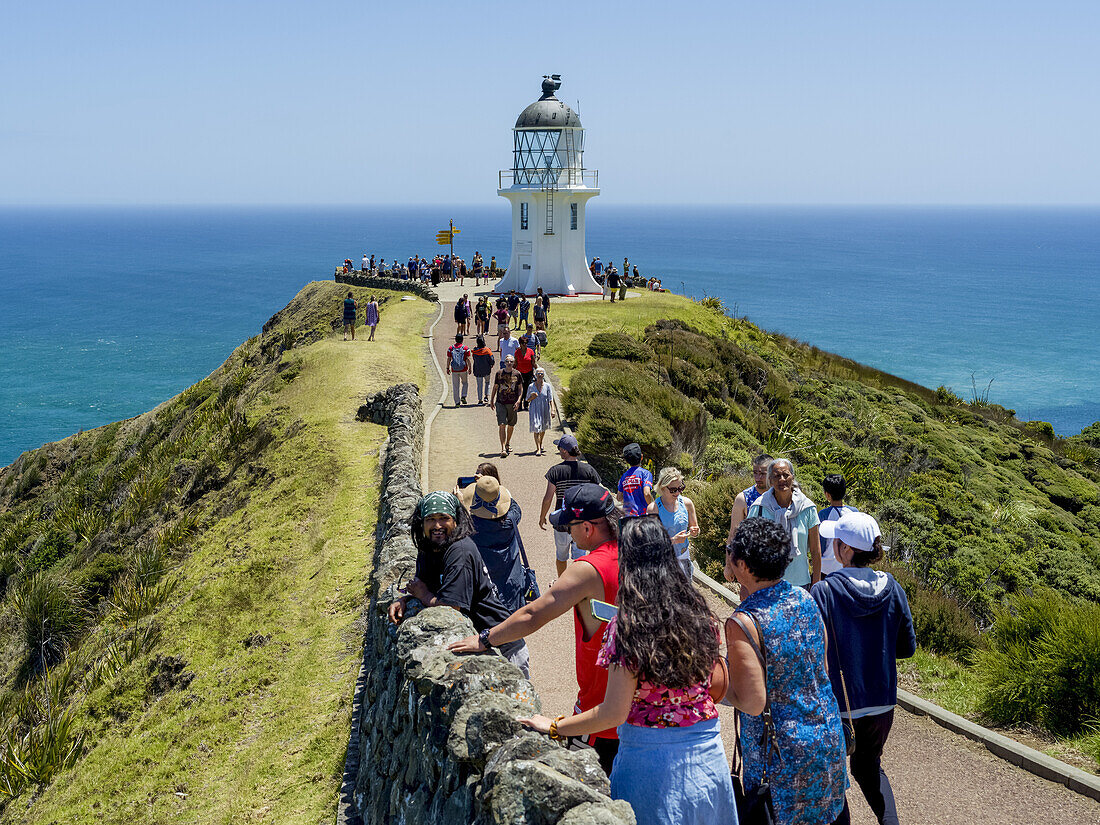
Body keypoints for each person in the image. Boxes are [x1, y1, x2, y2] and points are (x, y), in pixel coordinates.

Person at [520, 517, 737, 825]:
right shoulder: (701, 616)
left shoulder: (627, 627)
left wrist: (555, 726)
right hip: (708, 754)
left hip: (652, 763)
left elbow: (612, 713)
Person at [449, 484, 622, 773]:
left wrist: (485, 639)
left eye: (569, 525)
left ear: (589, 528)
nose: (568, 531)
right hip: (637, 711)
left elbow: (532, 615)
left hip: (599, 713)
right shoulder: (635, 554)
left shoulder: (587, 568)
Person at [724, 518, 849, 825]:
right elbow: (823, 668)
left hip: (780, 757)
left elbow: (752, 702)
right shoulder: (805, 598)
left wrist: (717, 679)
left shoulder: (744, 622)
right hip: (827, 738)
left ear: (741, 564)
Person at [813, 512, 915, 825]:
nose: (830, 545)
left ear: (845, 549)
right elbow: (906, 648)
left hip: (838, 704)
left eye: (835, 541)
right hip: (882, 702)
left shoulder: (825, 592)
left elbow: (815, 651)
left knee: (828, 774)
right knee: (868, 767)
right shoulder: (893, 587)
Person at [388, 492, 530, 677]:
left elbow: (451, 607)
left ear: (455, 521)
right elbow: (425, 586)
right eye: (430, 519)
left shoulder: (459, 551)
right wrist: (406, 599)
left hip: (504, 647)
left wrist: (422, 595)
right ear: (421, 523)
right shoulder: (430, 548)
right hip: (483, 641)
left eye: (444, 518)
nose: (437, 525)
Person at [747, 458, 822, 588]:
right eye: (776, 476)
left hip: (800, 584)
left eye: (786, 475)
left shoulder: (807, 508)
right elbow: (748, 548)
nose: (782, 479)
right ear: (770, 480)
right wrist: (746, 584)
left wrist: (816, 584)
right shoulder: (759, 507)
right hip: (766, 583)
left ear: (792, 477)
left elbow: (816, 551)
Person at [459, 474, 528, 613]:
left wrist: (460, 501)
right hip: (511, 581)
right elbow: (512, 504)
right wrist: (492, 488)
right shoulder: (512, 519)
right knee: (515, 622)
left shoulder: (472, 525)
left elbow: (457, 522)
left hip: (484, 583)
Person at [540, 434, 601, 576]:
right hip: (583, 521)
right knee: (580, 558)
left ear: (565, 451)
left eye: (559, 448)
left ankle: (562, 583)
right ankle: (579, 586)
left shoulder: (555, 471)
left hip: (562, 520)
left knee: (561, 556)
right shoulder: (589, 470)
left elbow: (548, 498)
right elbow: (596, 494)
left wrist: (542, 516)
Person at [647, 467, 699, 578]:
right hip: (664, 560)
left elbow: (695, 530)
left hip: (683, 557)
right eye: (673, 490)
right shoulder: (653, 509)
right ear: (663, 487)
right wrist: (673, 540)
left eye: (680, 488)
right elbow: (652, 542)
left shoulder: (687, 503)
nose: (678, 492)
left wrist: (694, 532)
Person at [727, 453, 773, 547]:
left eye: (762, 474)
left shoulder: (780, 495)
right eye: (755, 473)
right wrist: (730, 560)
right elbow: (734, 533)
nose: (757, 478)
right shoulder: (744, 498)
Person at [819, 474, 859, 577]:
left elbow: (820, 543)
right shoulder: (854, 512)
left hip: (825, 567)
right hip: (847, 567)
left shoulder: (823, 514)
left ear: (827, 495)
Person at [489, 354, 522, 455]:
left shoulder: (517, 374)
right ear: (504, 362)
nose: (509, 363)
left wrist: (519, 401)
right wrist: (491, 400)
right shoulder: (499, 373)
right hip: (501, 402)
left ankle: (508, 443)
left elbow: (520, 388)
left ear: (514, 363)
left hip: (512, 403)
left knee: (511, 425)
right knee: (502, 424)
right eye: (507, 361)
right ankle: (503, 448)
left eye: (511, 362)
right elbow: (495, 387)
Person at [526, 367, 558, 455]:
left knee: (543, 428)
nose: (540, 375)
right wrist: (532, 397)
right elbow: (527, 399)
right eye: (538, 374)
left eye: (541, 374)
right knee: (536, 427)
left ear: (543, 375)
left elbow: (551, 399)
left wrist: (553, 410)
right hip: (535, 409)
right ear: (535, 375)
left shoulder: (547, 386)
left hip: (544, 408)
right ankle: (538, 448)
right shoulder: (531, 386)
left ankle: (540, 442)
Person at [617, 443, 654, 517]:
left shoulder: (623, 477)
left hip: (628, 518)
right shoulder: (645, 473)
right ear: (641, 457)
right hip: (643, 516)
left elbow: (619, 498)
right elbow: (646, 493)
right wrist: (652, 506)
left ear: (627, 462)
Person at [446, 334, 471, 406]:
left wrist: (447, 368)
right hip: (463, 369)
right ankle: (463, 395)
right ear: (462, 340)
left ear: (455, 339)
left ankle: (457, 402)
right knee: (465, 383)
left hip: (454, 370)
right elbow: (468, 359)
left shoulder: (451, 348)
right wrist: (470, 368)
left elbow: (449, 359)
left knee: (455, 386)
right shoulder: (465, 348)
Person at [514, 336, 537, 410]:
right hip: (520, 373)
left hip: (528, 373)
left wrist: (538, 370)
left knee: (527, 389)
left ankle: (526, 404)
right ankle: (519, 405)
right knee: (520, 389)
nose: (525, 344)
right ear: (520, 344)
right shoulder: (517, 352)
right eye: (523, 343)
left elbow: (533, 363)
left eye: (526, 343)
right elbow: (515, 363)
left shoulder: (530, 351)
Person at [471, 335, 496, 405]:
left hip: (478, 370)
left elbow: (474, 359)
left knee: (479, 385)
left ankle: (480, 400)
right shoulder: (487, 350)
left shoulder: (475, 351)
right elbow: (492, 360)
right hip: (486, 369)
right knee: (487, 382)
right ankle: (486, 396)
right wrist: (491, 364)